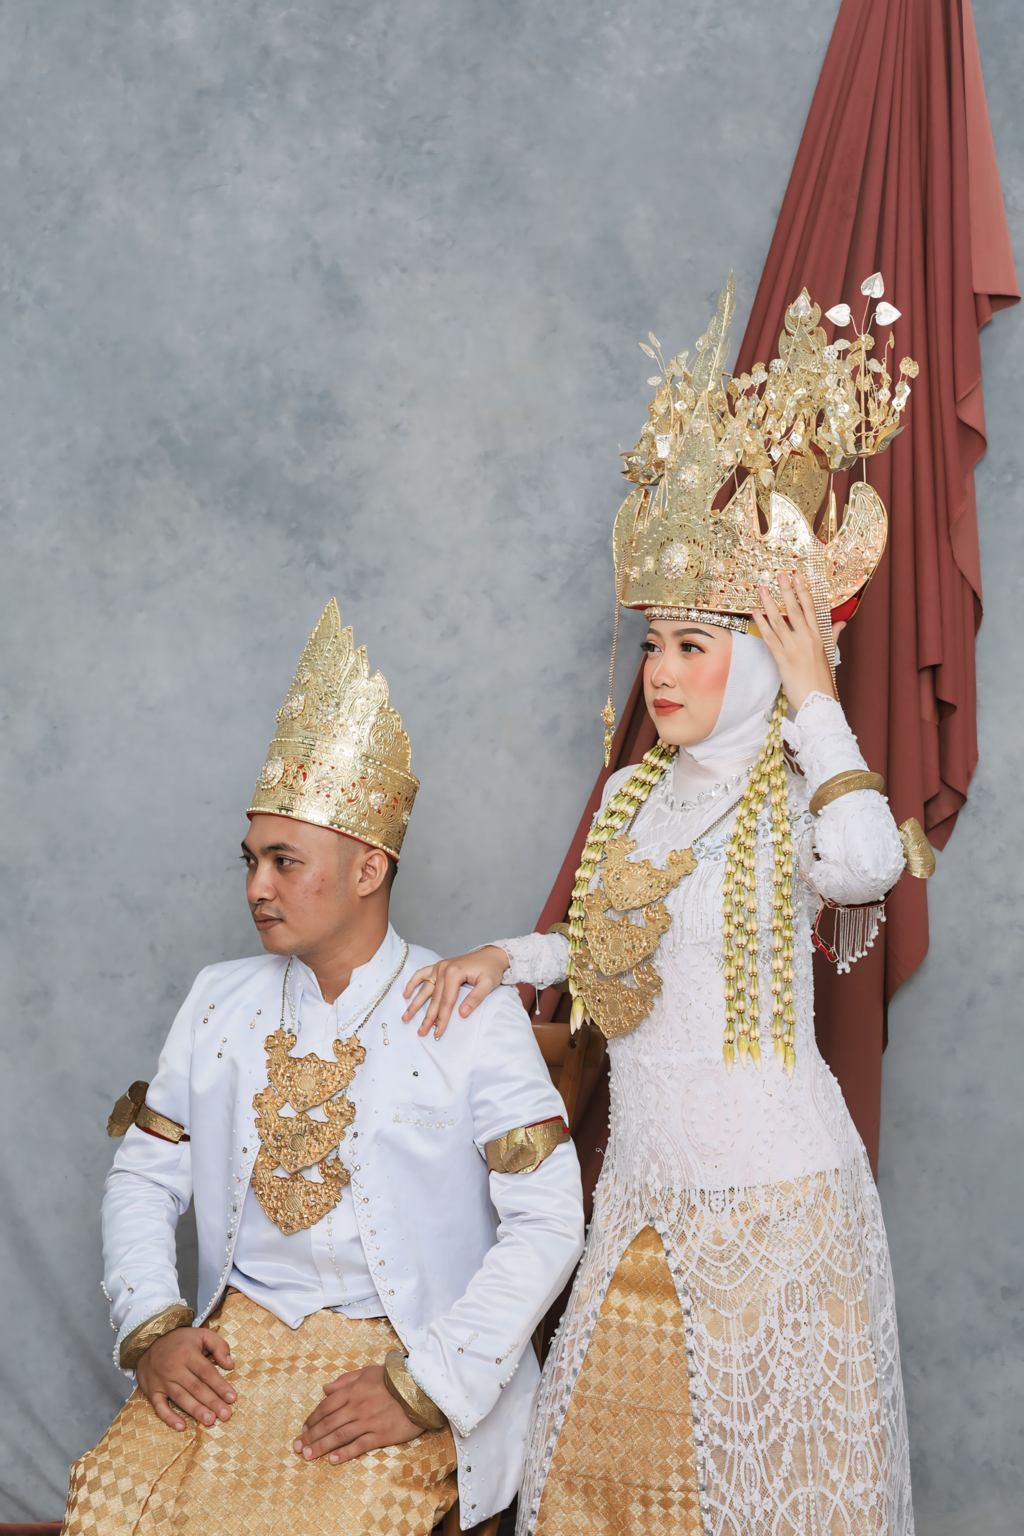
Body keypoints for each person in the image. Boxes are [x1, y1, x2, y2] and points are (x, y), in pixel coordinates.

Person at [404, 280, 929, 1535]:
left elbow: (865, 868)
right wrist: (507, 955)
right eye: (654, 643)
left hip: (777, 1199)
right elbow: (615, 944)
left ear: (756, 655)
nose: (663, 672)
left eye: (696, 644)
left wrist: (813, 692)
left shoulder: (796, 780)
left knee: (776, 1494)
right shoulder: (638, 792)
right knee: (609, 1493)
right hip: (642, 1189)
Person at [61, 598, 584, 1536]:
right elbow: (143, 1176)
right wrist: (154, 1329)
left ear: (368, 871)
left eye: (283, 861)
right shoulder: (219, 1000)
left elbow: (548, 1220)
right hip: (235, 1346)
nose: (256, 887)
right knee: (108, 1503)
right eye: (249, 862)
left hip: (406, 1355)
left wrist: (428, 1385)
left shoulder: (469, 1011)